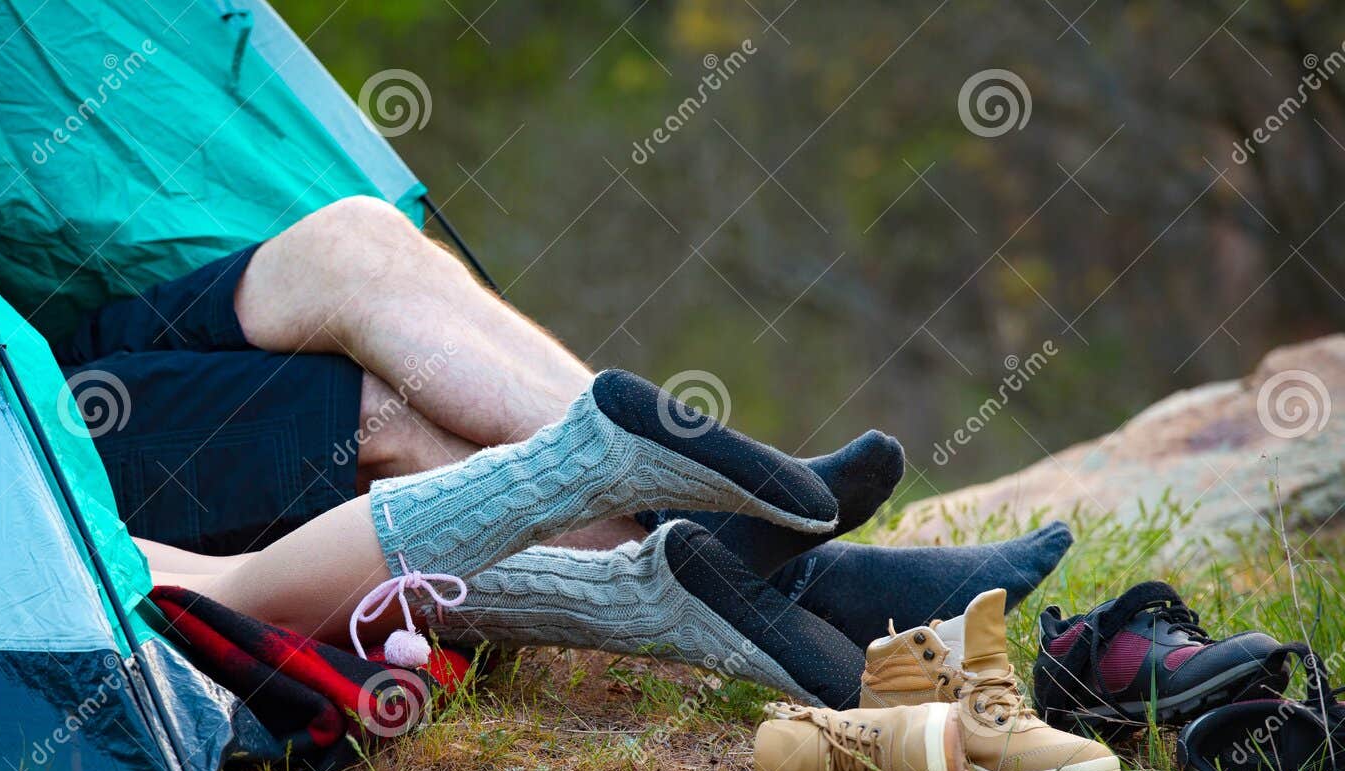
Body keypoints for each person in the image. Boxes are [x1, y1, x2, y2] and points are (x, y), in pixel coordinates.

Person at [55, 197, 1075, 702]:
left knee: (353, 237)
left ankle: (726, 520)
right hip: (6, 412)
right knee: (378, 411)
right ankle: (798, 563)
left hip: (39, 328)